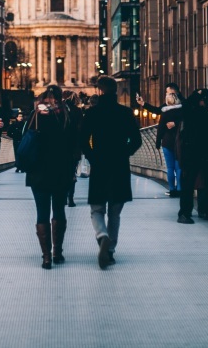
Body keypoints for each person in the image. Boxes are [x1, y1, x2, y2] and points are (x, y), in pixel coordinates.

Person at [80, 75, 142, 269]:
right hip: (119, 166)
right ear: (115, 91)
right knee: (115, 212)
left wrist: (92, 157)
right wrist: (125, 152)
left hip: (100, 166)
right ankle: (111, 251)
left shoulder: (92, 113)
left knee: (96, 209)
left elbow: (82, 140)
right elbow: (137, 140)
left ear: (99, 91)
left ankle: (102, 236)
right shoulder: (125, 112)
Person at [24, 85, 78, 269]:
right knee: (59, 211)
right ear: (60, 98)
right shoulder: (65, 115)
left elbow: (24, 138)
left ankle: (46, 257)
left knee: (42, 213)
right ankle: (58, 252)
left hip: (38, 172)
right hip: (61, 171)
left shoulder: (35, 115)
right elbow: (74, 143)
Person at [176, 88, 208, 224]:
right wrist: (199, 100)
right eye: (203, 99)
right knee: (188, 183)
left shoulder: (207, 111)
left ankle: (207, 210)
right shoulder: (189, 109)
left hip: (207, 152)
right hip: (191, 152)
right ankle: (184, 213)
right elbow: (189, 112)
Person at [153, 89, 184, 196]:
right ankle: (180, 189)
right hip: (179, 142)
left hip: (167, 142)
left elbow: (160, 129)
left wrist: (157, 142)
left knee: (170, 168)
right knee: (178, 167)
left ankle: (172, 189)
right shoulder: (181, 112)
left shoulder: (165, 113)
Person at [63, 90, 84, 207]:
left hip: (61, 148)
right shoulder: (78, 111)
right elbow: (82, 130)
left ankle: (63, 196)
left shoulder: (59, 110)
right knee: (72, 172)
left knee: (62, 172)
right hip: (74, 148)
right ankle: (70, 198)